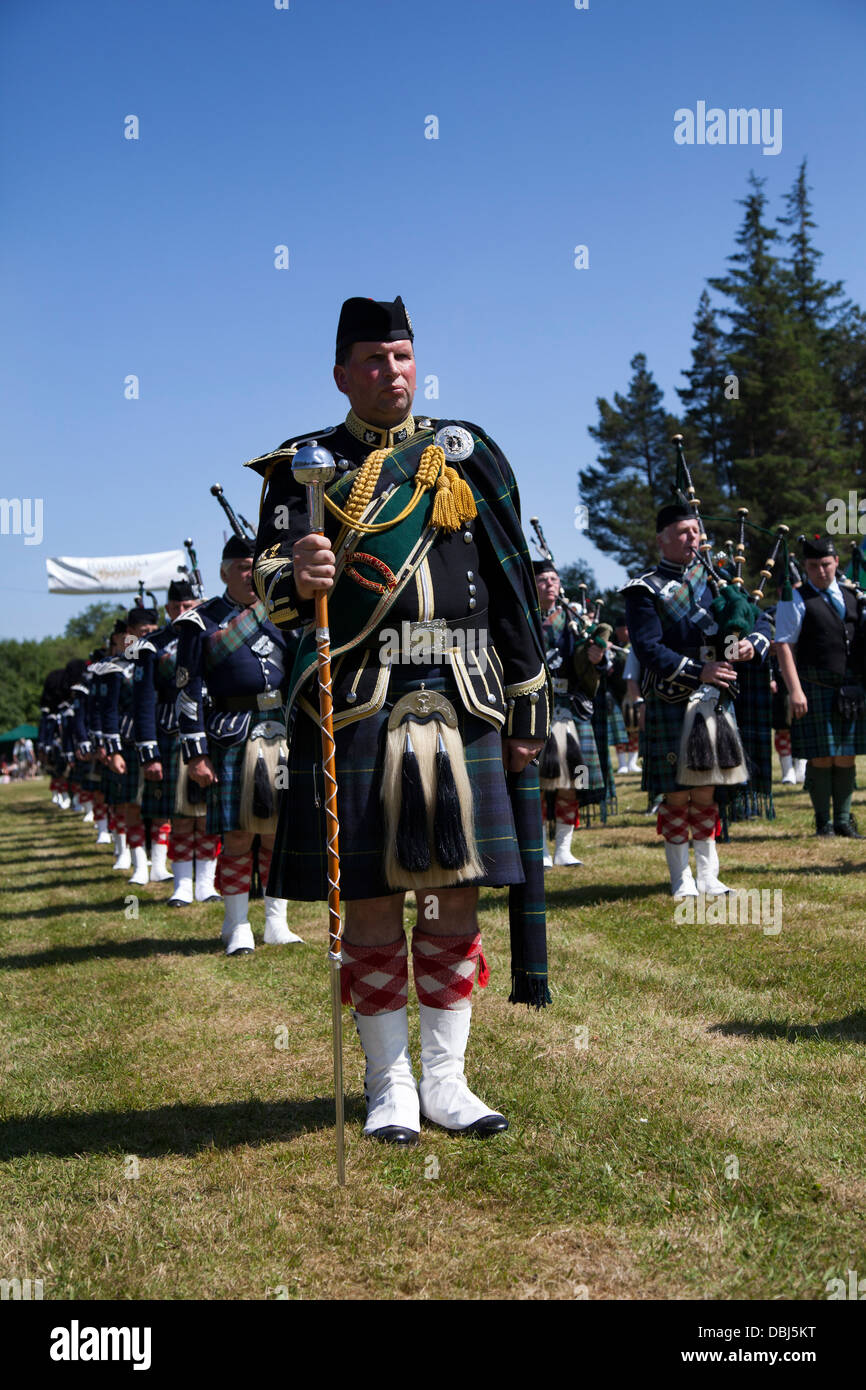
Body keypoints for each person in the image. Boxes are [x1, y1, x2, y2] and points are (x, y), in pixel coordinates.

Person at [248, 294, 550, 1145]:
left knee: (455, 889)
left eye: (405, 357)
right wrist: (297, 573)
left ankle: (448, 1083)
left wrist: (530, 701)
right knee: (372, 895)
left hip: (468, 692)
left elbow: (512, 582)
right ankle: (390, 1085)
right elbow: (267, 591)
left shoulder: (466, 452)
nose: (393, 373)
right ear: (342, 374)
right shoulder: (300, 471)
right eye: (375, 361)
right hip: (358, 697)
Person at [624, 504, 768, 897]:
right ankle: (680, 877)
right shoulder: (645, 588)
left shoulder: (718, 580)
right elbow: (648, 647)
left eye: (696, 531)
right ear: (662, 538)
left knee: (706, 790)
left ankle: (708, 875)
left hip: (716, 697)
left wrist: (752, 644)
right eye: (684, 531)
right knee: (676, 793)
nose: (693, 538)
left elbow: (761, 620)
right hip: (673, 697)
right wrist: (697, 670)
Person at [175, 535, 302, 954]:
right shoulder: (201, 622)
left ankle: (275, 923)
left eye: (257, 566)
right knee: (238, 837)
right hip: (232, 733)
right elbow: (188, 691)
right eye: (244, 567)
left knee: (276, 834)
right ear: (225, 572)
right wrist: (195, 754)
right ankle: (236, 925)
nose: (252, 575)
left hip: (279, 731)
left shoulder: (283, 612)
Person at [774, 534, 866, 837]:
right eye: (813, 566)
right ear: (805, 566)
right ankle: (822, 822)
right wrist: (795, 690)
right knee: (821, 756)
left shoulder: (852, 596)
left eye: (826, 564)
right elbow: (784, 645)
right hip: (814, 685)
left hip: (850, 688)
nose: (821, 571)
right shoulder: (795, 598)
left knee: (845, 755)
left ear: (836, 562)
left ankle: (843, 820)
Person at [132, 579, 218, 902]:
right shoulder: (151, 645)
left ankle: (206, 884)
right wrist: (148, 753)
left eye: (188, 606)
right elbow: (143, 703)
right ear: (168, 610)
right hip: (170, 734)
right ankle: (182, 884)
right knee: (181, 816)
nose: (182, 612)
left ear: (197, 604)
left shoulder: (212, 632)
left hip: (211, 731)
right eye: (176, 607)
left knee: (208, 815)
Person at [534, 558, 608, 866]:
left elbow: (601, 665)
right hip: (534, 704)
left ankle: (564, 849)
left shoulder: (575, 619)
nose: (549, 583)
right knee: (535, 782)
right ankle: (540, 849)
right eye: (542, 579)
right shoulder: (525, 616)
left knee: (572, 780)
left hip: (568, 707)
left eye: (553, 579)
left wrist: (597, 653)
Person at [101, 607, 167, 885]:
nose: (147, 634)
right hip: (129, 743)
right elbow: (109, 711)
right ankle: (139, 863)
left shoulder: (165, 658)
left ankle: (160, 865)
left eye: (151, 629)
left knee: (164, 805)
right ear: (129, 633)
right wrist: (112, 749)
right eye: (141, 630)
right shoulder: (116, 667)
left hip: (162, 737)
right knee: (132, 806)